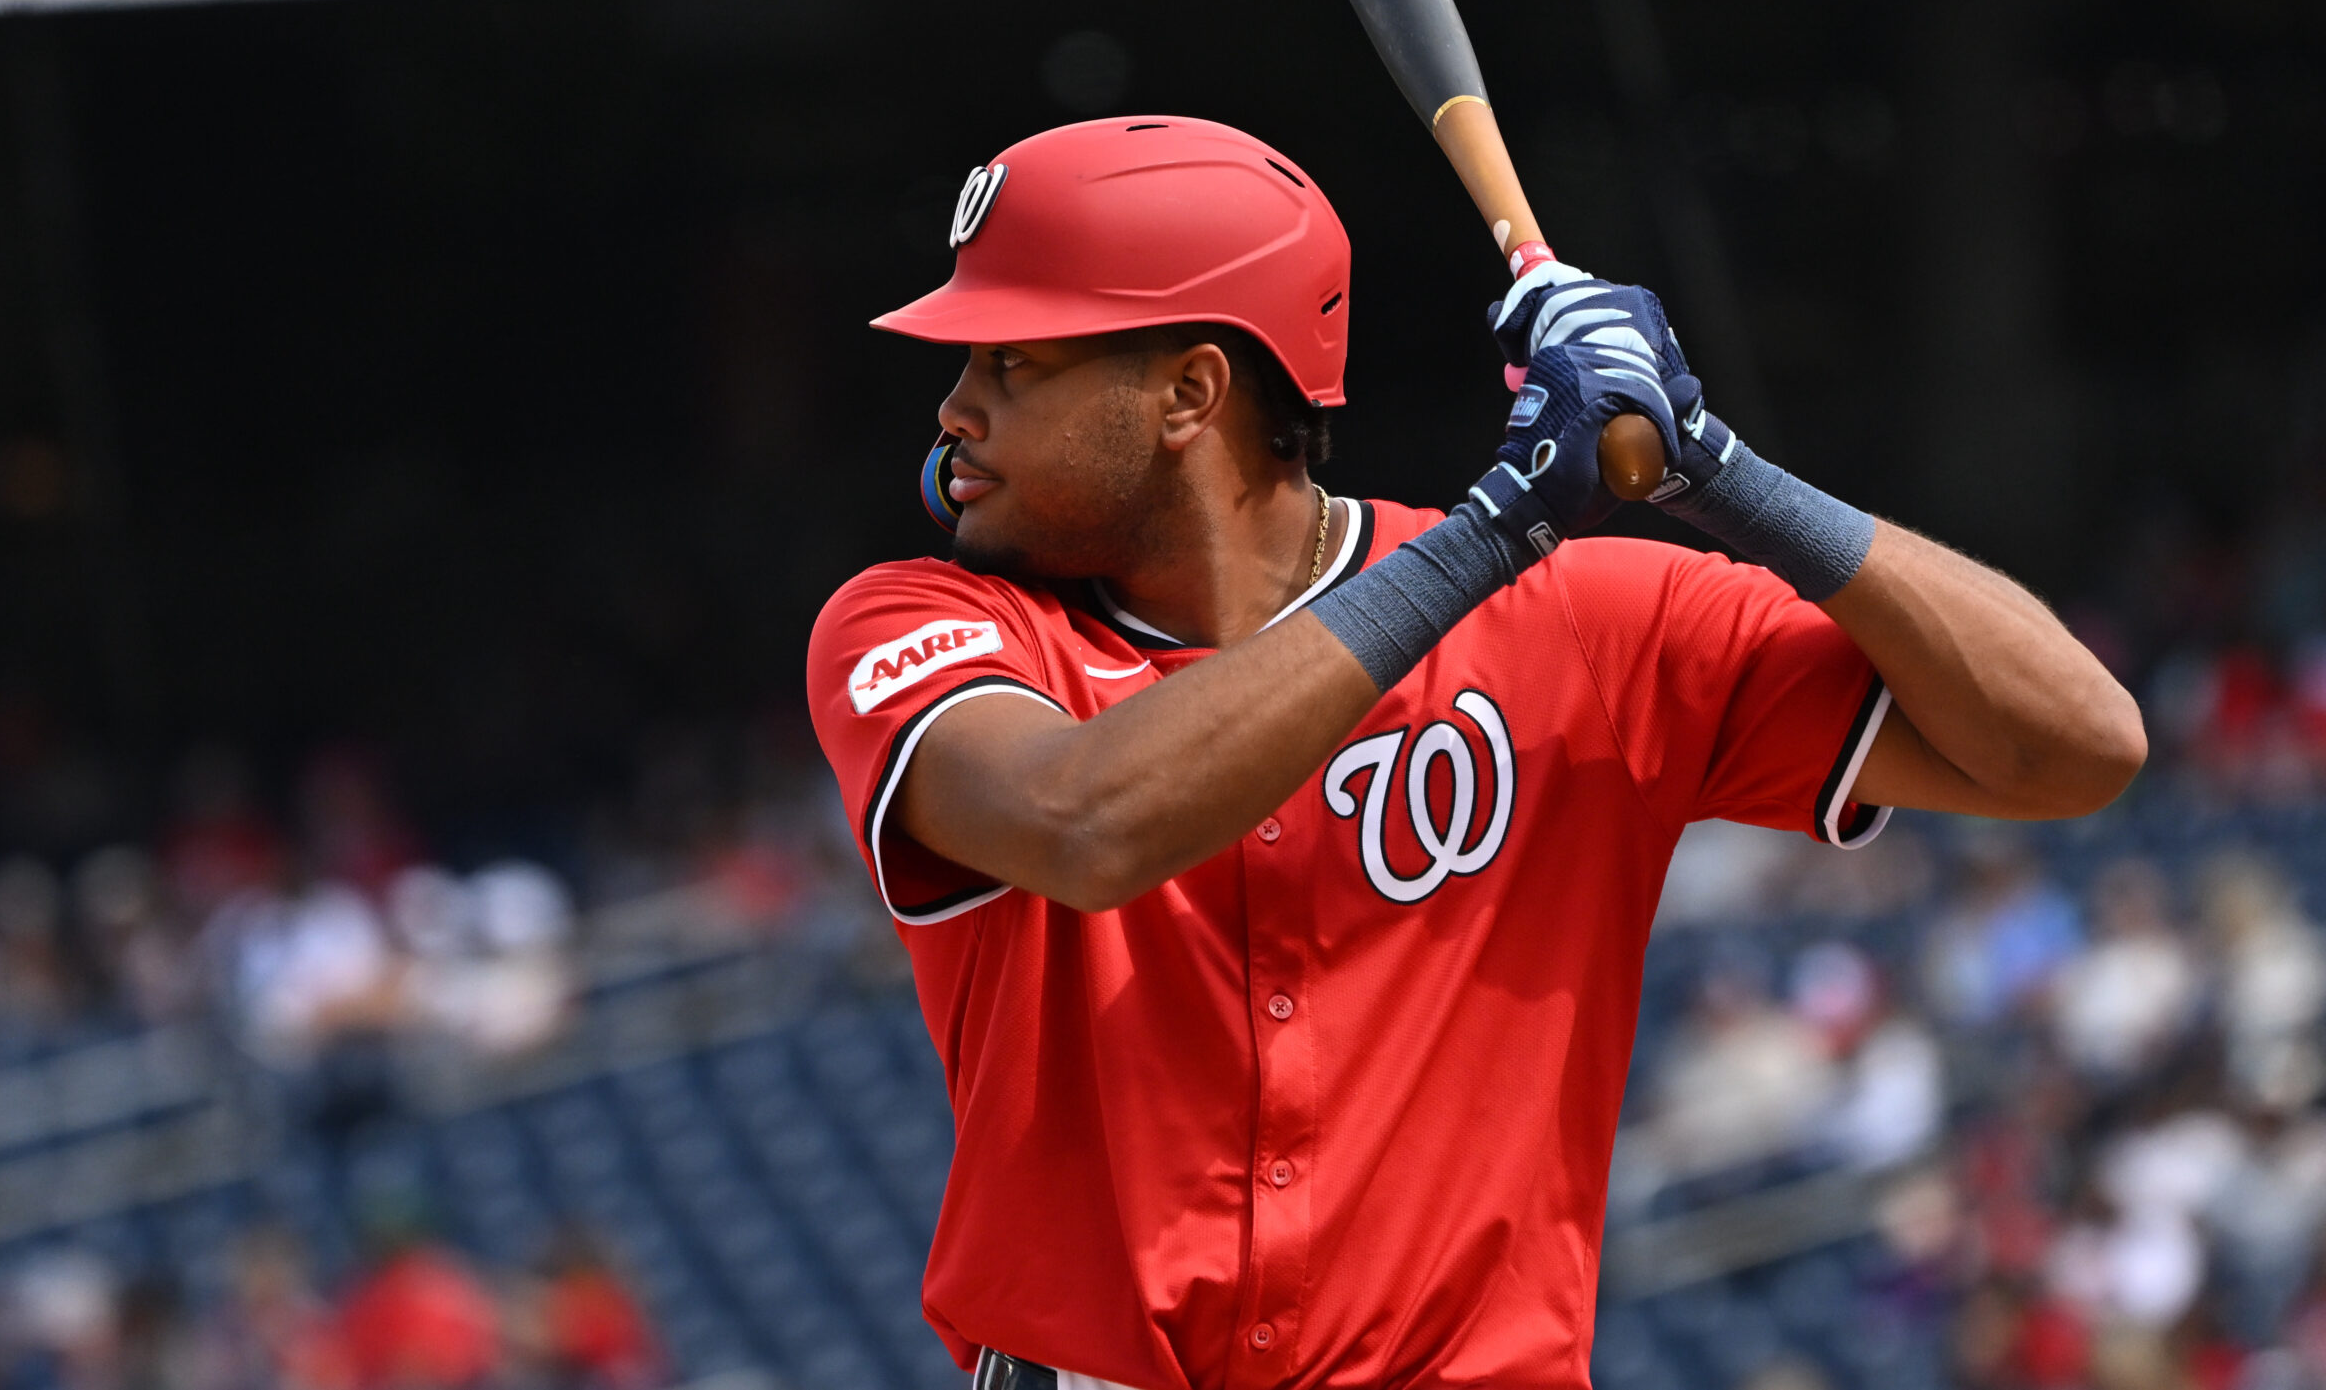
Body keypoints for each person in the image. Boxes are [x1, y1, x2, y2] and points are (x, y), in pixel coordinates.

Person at [804, 116, 2142, 1390]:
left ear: (1189, 392)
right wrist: (1498, 528)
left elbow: (2071, 749)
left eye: (1011, 364)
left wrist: (1720, 469)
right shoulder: (925, 622)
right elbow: (1083, 825)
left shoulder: (1586, 628)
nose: (955, 410)